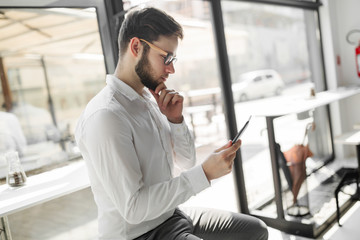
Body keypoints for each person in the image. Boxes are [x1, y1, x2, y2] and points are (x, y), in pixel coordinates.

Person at [75, 7, 268, 240]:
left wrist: (175, 120)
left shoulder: (149, 99)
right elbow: (134, 208)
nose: (172, 68)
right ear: (136, 47)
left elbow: (186, 162)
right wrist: (205, 174)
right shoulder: (106, 116)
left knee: (256, 231)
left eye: (173, 59)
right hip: (139, 234)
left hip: (171, 216)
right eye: (166, 57)